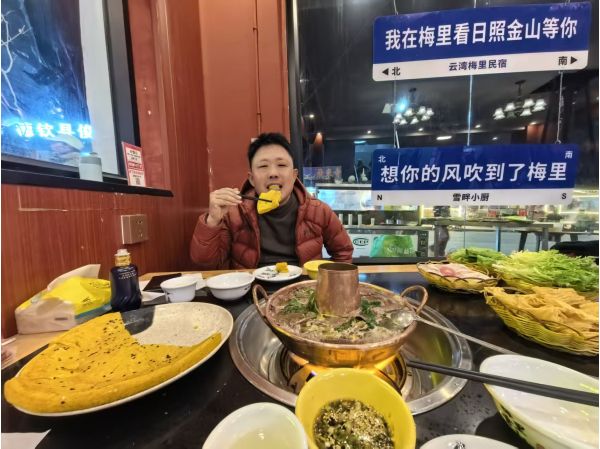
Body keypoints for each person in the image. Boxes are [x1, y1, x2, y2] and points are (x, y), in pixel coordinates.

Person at [190, 133, 354, 269]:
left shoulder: (318, 210)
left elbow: (343, 251)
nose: (273, 173)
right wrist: (212, 221)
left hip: (303, 288)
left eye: (281, 165)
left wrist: (329, 284)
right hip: (252, 289)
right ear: (252, 179)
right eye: (263, 166)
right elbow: (206, 263)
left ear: (294, 175)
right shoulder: (234, 212)